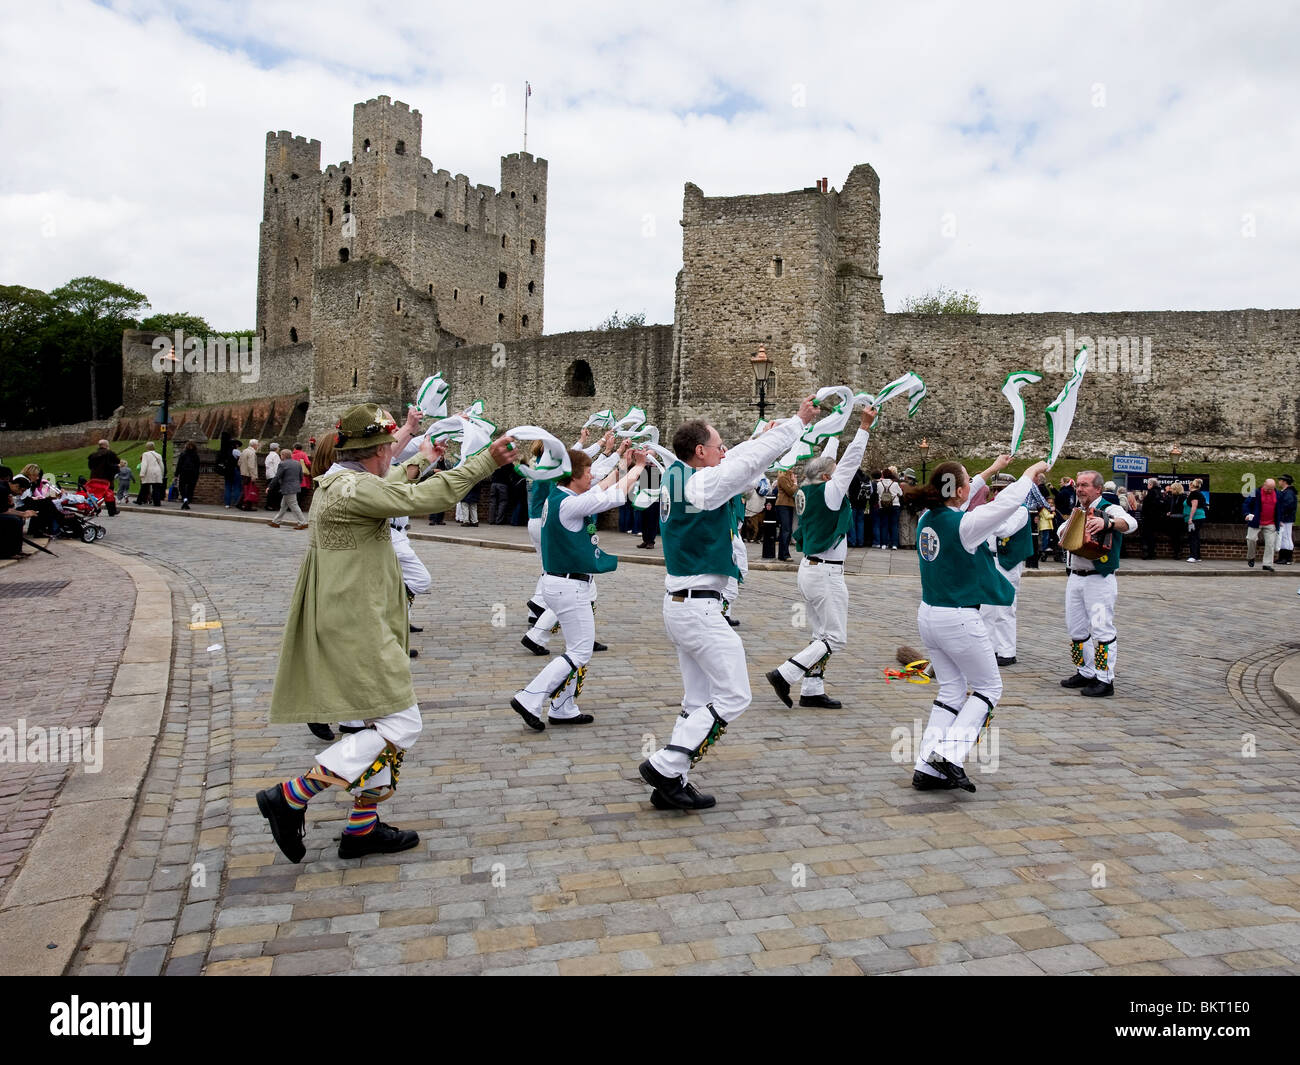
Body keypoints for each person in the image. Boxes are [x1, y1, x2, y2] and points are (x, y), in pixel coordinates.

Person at [256, 403, 518, 864]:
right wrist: (484, 462)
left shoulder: (343, 482)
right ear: (376, 450)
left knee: (368, 726)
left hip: (351, 617)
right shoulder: (351, 488)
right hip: (355, 625)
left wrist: (423, 457)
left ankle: (362, 830)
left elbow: (392, 485)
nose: (390, 459)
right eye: (388, 451)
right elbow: (420, 499)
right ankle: (292, 795)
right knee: (401, 723)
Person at [638, 394, 818, 811]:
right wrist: (796, 424)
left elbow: (738, 462)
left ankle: (672, 783)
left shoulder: (679, 477)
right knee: (735, 694)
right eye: (718, 445)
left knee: (697, 701)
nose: (724, 451)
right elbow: (738, 467)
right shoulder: (700, 484)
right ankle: (665, 764)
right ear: (700, 452)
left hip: (683, 603)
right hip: (698, 608)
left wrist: (762, 437)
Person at [905, 455, 1051, 792]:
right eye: (967, 481)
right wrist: (1029, 474)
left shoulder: (930, 516)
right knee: (989, 688)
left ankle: (926, 764)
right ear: (958, 491)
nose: (972, 485)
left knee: (952, 689)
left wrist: (992, 469)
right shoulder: (965, 527)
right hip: (958, 617)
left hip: (929, 614)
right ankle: (948, 753)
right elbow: (1005, 505)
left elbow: (965, 497)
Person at [511, 446, 647, 731]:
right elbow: (612, 495)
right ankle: (530, 696)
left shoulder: (561, 497)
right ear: (574, 476)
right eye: (587, 473)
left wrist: (624, 463)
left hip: (563, 582)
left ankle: (563, 706)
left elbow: (601, 489)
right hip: (568, 585)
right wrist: (638, 468)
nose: (591, 477)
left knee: (577, 648)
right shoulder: (569, 504)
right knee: (580, 652)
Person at [767, 405, 876, 709]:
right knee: (835, 637)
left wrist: (835, 429)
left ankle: (812, 689)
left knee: (820, 633)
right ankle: (784, 674)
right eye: (835, 468)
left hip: (810, 569)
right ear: (828, 475)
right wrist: (863, 427)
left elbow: (830, 460)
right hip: (826, 573)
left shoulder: (807, 489)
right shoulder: (829, 492)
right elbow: (850, 463)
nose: (840, 469)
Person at [521, 434, 619, 656]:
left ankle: (538, 633)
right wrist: (612, 455)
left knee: (565, 579)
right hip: (545, 522)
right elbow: (582, 467)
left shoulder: (546, 466)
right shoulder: (555, 470)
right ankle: (539, 607)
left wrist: (605, 448)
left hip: (540, 519)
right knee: (561, 576)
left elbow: (578, 459)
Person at [1060, 470, 1139, 698]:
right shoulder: (1078, 511)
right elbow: (1062, 532)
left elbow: (1131, 523)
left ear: (1097, 488)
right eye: (1079, 485)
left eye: (1084, 485)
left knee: (1101, 629)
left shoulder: (1109, 507)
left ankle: (1105, 678)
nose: (1080, 489)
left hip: (1099, 578)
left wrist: (1108, 522)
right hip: (1075, 576)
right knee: (1076, 629)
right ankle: (1085, 670)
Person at [979, 476, 1037, 666]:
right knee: (987, 608)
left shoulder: (1020, 510)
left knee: (1005, 607)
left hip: (1008, 561)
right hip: (990, 560)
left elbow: (1006, 530)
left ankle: (1007, 651)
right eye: (994, 490)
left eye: (1001, 490)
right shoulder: (994, 509)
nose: (996, 494)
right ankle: (990, 647)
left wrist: (988, 520)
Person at [1243, 477, 1279, 571]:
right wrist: (1247, 514)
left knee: (1270, 544)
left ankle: (1267, 564)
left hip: (1271, 523)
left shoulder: (1277, 494)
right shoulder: (1256, 492)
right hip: (1256, 521)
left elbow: (1280, 507)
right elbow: (1246, 504)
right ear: (1264, 484)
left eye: (1272, 489)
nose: (1270, 491)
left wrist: (1280, 519)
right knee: (1251, 539)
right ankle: (1251, 557)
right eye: (1268, 489)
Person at [268, 448, 308, 529]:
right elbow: (301, 476)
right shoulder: (297, 463)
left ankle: (302, 522)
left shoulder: (282, 464)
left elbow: (277, 476)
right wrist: (297, 484)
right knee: (283, 506)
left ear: (283, 455)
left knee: (294, 505)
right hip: (295, 486)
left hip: (287, 488)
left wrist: (270, 486)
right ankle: (276, 522)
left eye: (281, 455)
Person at [774, 467, 798, 561]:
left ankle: (783, 554)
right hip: (783, 505)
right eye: (792, 466)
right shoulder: (783, 478)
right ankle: (784, 554)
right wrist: (795, 482)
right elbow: (790, 491)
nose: (794, 468)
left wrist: (793, 481)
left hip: (788, 505)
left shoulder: (789, 477)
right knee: (786, 530)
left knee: (787, 530)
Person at [1183, 477, 1208, 562]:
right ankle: (1197, 556)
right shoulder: (1198, 493)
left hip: (1196, 518)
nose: (1188, 487)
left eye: (1189, 485)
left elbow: (1194, 506)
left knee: (1192, 536)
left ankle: (1193, 556)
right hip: (1198, 517)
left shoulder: (1194, 494)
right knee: (1195, 536)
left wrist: (1190, 518)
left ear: (1192, 485)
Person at [1052, 476, 1076, 562]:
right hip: (1070, 514)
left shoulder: (1064, 492)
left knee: (1059, 534)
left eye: (1061, 482)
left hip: (1061, 514)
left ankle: (1060, 554)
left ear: (1066, 482)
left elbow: (1058, 499)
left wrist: (1053, 490)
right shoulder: (1073, 492)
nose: (1060, 483)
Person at [877, 467, 902, 549]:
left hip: (883, 506)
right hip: (894, 505)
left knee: (884, 525)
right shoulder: (895, 484)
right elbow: (901, 494)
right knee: (894, 525)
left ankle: (884, 544)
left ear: (883, 475)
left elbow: (878, 493)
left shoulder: (879, 484)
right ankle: (894, 544)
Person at [1139, 477, 1162, 559]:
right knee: (1152, 536)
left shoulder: (1151, 493)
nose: (1147, 486)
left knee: (1146, 536)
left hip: (1148, 518)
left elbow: (1146, 507)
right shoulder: (1159, 493)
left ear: (1151, 484)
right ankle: (1152, 553)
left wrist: (1143, 515)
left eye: (1148, 484)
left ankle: (1147, 553)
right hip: (1156, 519)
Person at [1275, 474, 1295, 565]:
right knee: (1284, 537)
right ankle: (1284, 558)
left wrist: (1281, 517)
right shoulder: (1287, 492)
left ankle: (1287, 558)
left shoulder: (1288, 493)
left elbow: (1287, 506)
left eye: (1280, 480)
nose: (1279, 482)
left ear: (1284, 482)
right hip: (1286, 518)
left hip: (1286, 519)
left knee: (1285, 537)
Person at [174, 442, 200, 511]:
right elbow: (197, 466)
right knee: (190, 488)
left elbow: (179, 465)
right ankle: (187, 500)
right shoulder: (196, 455)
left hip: (184, 473)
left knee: (181, 487)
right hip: (193, 474)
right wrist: (197, 475)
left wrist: (176, 475)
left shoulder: (183, 454)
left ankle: (185, 499)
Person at [848, 466, 869, 548]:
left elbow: (850, 490)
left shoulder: (852, 476)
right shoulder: (865, 477)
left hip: (853, 502)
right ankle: (860, 542)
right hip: (863, 503)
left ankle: (852, 541)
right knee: (860, 522)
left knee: (852, 522)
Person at [237, 439, 260, 510]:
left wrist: (243, 469)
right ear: (254, 445)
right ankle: (246, 506)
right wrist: (253, 476)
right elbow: (251, 465)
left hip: (243, 473)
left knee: (246, 489)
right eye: (257, 445)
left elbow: (239, 463)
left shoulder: (244, 451)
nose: (258, 446)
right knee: (249, 490)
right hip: (249, 474)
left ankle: (241, 504)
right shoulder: (252, 453)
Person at [1163, 482, 1184, 559]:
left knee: (1177, 537)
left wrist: (1172, 512)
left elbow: (1181, 509)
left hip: (1179, 520)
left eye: (1172, 488)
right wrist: (1170, 512)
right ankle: (1176, 552)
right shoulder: (1173, 497)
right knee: (1175, 537)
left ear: (1176, 489)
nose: (1170, 490)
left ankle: (1178, 553)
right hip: (1173, 519)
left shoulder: (1182, 497)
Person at [264, 443, 282, 512]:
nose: (279, 448)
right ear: (276, 448)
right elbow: (277, 467)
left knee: (270, 491)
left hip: (269, 475)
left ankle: (269, 505)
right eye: (278, 447)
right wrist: (278, 476)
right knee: (274, 492)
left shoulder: (269, 455)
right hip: (274, 476)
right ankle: (270, 505)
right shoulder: (275, 455)